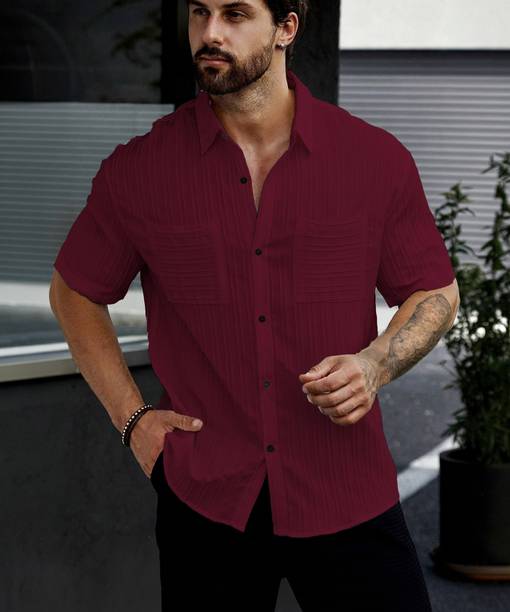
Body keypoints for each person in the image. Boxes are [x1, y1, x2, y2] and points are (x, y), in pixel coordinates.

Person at [50, 0, 460, 610]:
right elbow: (75, 291)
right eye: (200, 13)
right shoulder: (139, 169)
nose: (210, 33)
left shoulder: (374, 160)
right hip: (207, 500)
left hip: (346, 489)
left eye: (236, 13)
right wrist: (133, 422)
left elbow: (435, 292)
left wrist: (375, 364)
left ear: (286, 28)